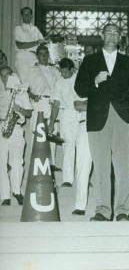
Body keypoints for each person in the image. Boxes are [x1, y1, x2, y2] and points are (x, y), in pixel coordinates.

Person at [74, 24, 129, 222]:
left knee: (123, 166)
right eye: (108, 32)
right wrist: (94, 81)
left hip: (122, 118)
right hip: (97, 118)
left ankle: (122, 211)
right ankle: (103, 210)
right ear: (102, 36)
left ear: (120, 37)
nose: (112, 35)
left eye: (116, 33)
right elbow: (79, 88)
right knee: (101, 166)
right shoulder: (90, 60)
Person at [0, 66, 33, 206]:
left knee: (17, 161)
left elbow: (29, 113)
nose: (4, 78)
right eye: (2, 76)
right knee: (1, 163)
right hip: (1, 126)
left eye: (7, 75)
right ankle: (5, 196)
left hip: (17, 128)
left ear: (12, 75)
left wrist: (18, 109)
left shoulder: (21, 92)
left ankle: (17, 191)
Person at [27, 45, 61, 172]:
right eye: (41, 54)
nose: (44, 56)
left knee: (51, 134)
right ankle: (34, 163)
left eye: (46, 53)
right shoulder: (32, 70)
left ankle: (50, 164)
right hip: (38, 103)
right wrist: (32, 95)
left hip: (51, 104)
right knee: (37, 133)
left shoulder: (55, 71)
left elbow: (59, 88)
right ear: (37, 55)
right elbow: (26, 88)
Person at [48, 58, 79, 187]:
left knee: (82, 147)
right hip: (66, 114)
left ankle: (83, 178)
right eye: (61, 72)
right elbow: (56, 104)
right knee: (68, 146)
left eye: (65, 72)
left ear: (72, 69)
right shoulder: (59, 83)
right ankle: (67, 179)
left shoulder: (80, 79)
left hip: (81, 113)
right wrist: (51, 123)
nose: (63, 74)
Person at [14, 7, 47, 83]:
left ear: (31, 16)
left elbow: (42, 42)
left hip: (34, 56)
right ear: (21, 16)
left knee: (34, 81)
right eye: (24, 14)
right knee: (25, 81)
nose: (26, 15)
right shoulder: (18, 28)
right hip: (23, 56)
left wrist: (45, 41)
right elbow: (20, 45)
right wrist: (36, 42)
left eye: (28, 14)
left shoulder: (35, 29)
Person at [72, 99, 93, 216]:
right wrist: (96, 105)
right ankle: (80, 206)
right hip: (85, 125)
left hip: (103, 126)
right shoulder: (83, 85)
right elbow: (77, 105)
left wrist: (89, 104)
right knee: (82, 166)